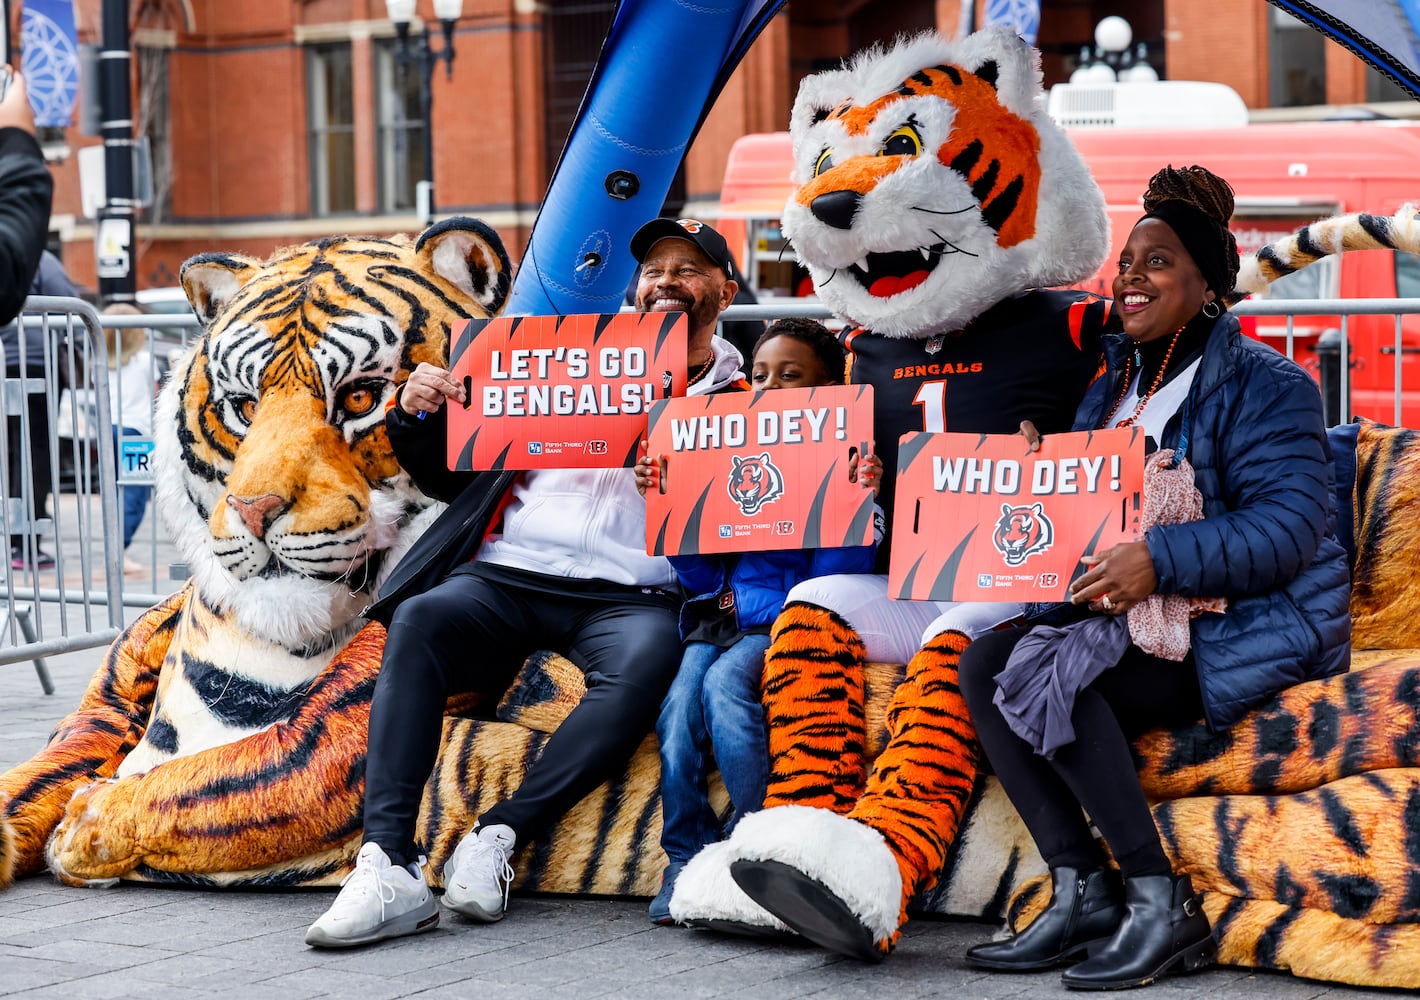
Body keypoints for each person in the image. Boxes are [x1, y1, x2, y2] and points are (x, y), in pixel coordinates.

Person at [304, 217, 748, 948]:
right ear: (635, 288)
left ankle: (501, 835)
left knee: (647, 662)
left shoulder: (749, 396)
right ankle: (388, 863)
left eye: (690, 269)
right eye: (655, 269)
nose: (667, 281)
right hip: (510, 572)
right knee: (420, 620)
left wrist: (685, 488)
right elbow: (452, 473)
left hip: (631, 591)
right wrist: (414, 414)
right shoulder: (561, 359)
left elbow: (769, 513)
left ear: (726, 291)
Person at [958, 165, 1351, 990]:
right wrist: (1046, 472)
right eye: (1127, 260)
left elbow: (1286, 533)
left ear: (1207, 282)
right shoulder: (1111, 384)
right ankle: (1081, 888)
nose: (1130, 276)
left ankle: (1156, 898)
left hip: (1239, 624)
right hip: (1129, 619)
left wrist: (1159, 558)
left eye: (1159, 260)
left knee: (1057, 674)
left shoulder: (1269, 385)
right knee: (985, 661)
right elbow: (1096, 516)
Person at [635, 318, 883, 925]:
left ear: (830, 388)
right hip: (716, 620)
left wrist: (855, 496)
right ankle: (685, 856)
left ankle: (757, 845)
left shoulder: (847, 461)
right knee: (675, 720)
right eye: (762, 374)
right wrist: (670, 504)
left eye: (791, 377)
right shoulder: (725, 449)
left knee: (724, 690)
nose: (769, 388)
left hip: (785, 622)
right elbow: (698, 581)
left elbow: (835, 581)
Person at [1, 70, 62, 571]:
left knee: (15, 456)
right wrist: (18, 143)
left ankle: (20, 543)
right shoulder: (43, 262)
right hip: (35, 370)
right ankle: (25, 543)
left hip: (16, 366)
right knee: (33, 455)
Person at [100, 304, 157, 574]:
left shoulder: (97, 362)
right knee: (135, 495)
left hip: (107, 429)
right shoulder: (146, 361)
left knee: (113, 494)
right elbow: (156, 394)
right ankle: (119, 552)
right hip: (137, 433)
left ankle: (114, 548)